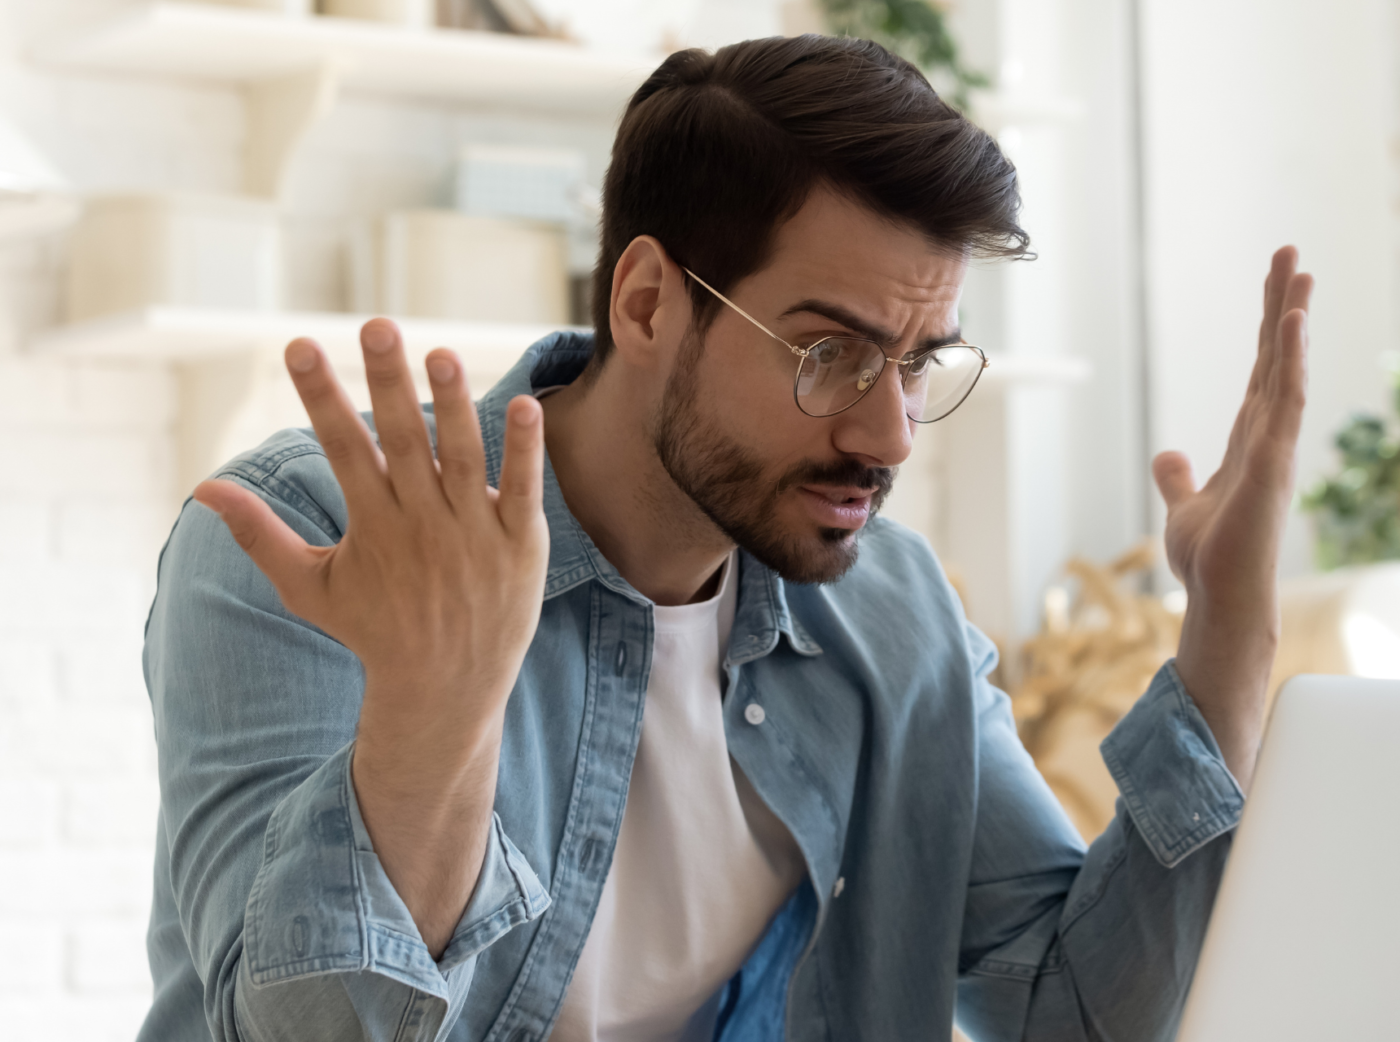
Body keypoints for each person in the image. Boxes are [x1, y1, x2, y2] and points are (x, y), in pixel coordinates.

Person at [137, 34, 1311, 1042]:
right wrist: (436, 713)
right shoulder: (320, 542)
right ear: (647, 302)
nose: (890, 435)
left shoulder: (892, 610)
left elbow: (1072, 1013)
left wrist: (1228, 630)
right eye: (829, 354)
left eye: (917, 363)